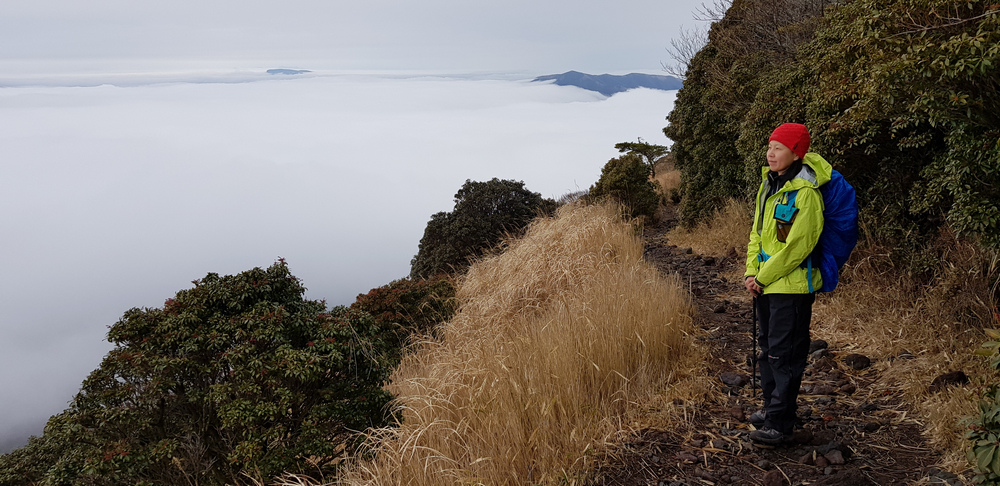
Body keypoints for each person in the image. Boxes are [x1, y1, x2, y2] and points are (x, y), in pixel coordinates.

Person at [744, 123, 830, 446]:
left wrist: (762, 276)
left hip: (792, 288)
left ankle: (780, 426)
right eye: (770, 146)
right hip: (765, 285)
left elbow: (798, 248)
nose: (771, 153)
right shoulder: (767, 187)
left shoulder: (806, 194)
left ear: (796, 153)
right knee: (767, 352)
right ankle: (772, 411)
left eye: (779, 148)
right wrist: (751, 272)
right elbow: (756, 234)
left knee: (784, 355)